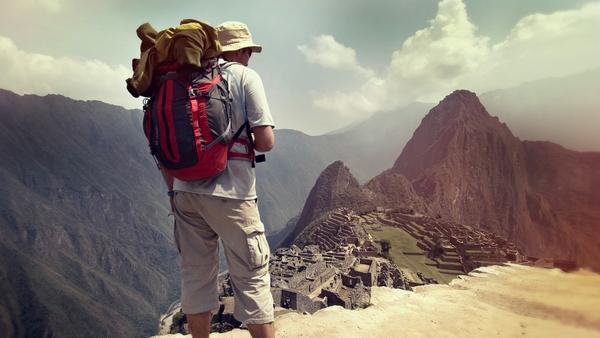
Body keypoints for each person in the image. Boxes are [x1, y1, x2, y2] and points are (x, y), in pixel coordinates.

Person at [166, 21, 275, 338]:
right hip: (232, 194)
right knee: (252, 277)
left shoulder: (184, 79)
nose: (250, 57)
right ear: (240, 51)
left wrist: (173, 191)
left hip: (184, 192)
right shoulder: (244, 76)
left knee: (196, 275)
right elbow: (265, 140)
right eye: (249, 51)